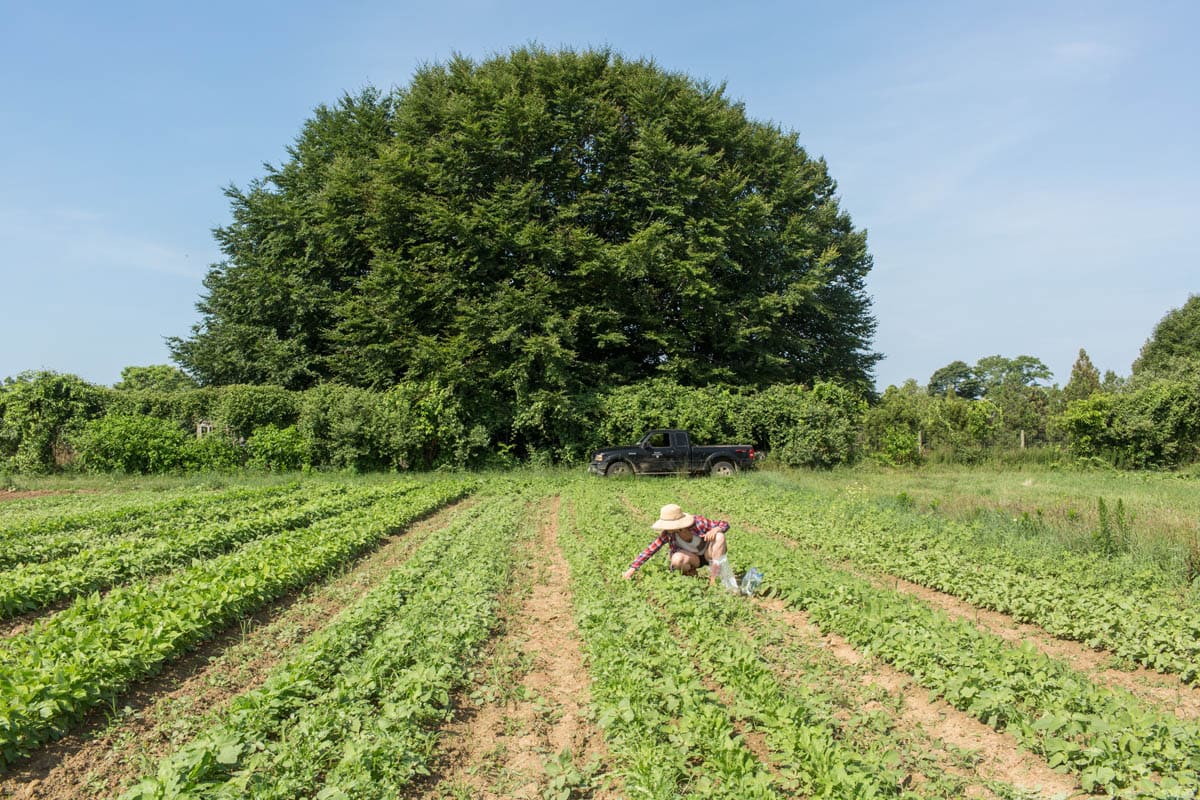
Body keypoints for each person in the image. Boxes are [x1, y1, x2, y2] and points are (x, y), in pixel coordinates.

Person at [622, 503, 729, 586]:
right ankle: (692, 575)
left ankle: (714, 578)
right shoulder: (668, 534)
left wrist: (716, 529)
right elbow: (651, 549)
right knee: (676, 559)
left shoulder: (698, 523)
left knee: (720, 536)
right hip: (693, 559)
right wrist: (632, 569)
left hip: (709, 554)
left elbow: (724, 524)